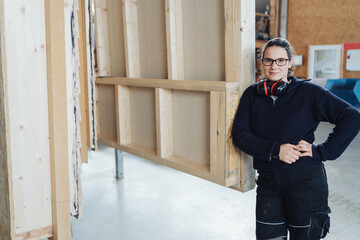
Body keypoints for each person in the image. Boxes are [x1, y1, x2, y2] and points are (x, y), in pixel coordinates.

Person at [231, 38, 360, 240]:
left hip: (306, 182)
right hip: (268, 183)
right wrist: (275, 150)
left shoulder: (309, 92)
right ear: (261, 63)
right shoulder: (251, 95)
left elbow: (351, 116)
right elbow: (240, 136)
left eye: (281, 60)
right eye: (268, 60)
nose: (274, 66)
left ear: (290, 63)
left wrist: (322, 151)